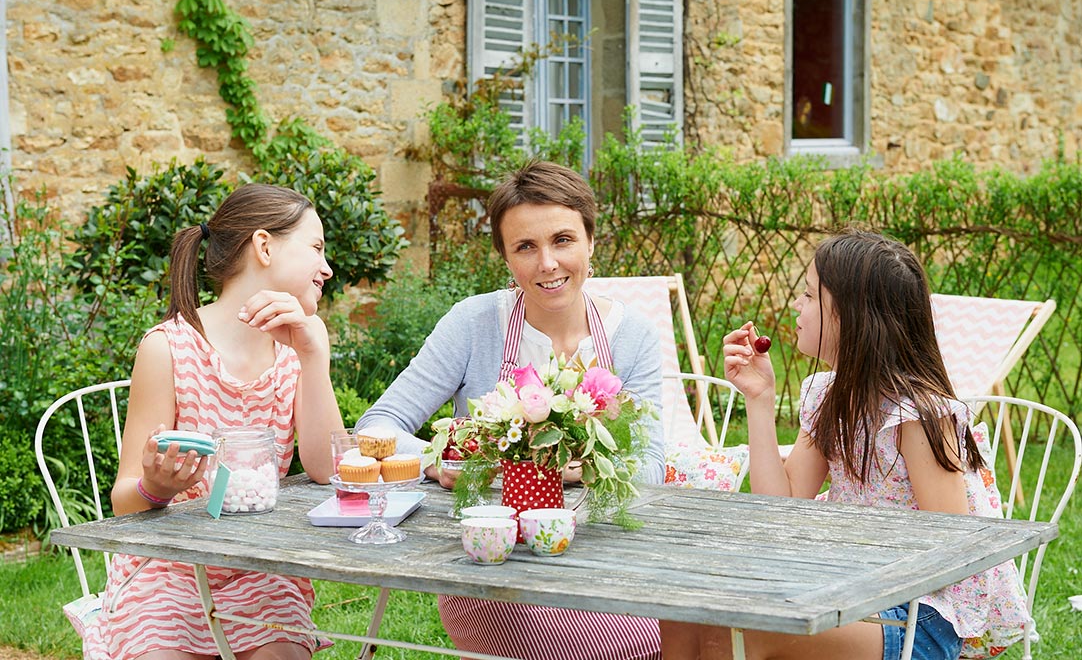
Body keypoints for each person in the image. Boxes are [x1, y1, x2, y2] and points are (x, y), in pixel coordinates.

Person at [660, 230, 1031, 660]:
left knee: (729, 635)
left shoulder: (919, 416)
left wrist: (849, 570)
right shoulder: (830, 397)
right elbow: (781, 508)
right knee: (685, 611)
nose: (796, 305)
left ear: (850, 316)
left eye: (809, 296)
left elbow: (952, 548)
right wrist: (758, 401)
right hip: (845, 594)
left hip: (918, 617)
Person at [356, 158, 665, 660]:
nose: (547, 263)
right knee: (636, 642)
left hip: (611, 555)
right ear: (505, 258)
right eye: (526, 246)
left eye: (562, 239)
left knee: (700, 635)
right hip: (495, 569)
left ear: (591, 241)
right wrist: (445, 462)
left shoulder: (632, 337)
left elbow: (650, 467)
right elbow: (378, 426)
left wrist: (583, 465)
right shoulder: (473, 324)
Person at [83, 184, 345, 660]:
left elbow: (328, 470)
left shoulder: (299, 345)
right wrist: (156, 487)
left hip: (260, 568)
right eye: (317, 247)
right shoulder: (169, 348)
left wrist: (312, 355)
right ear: (264, 246)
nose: (326, 268)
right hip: (167, 569)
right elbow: (124, 502)